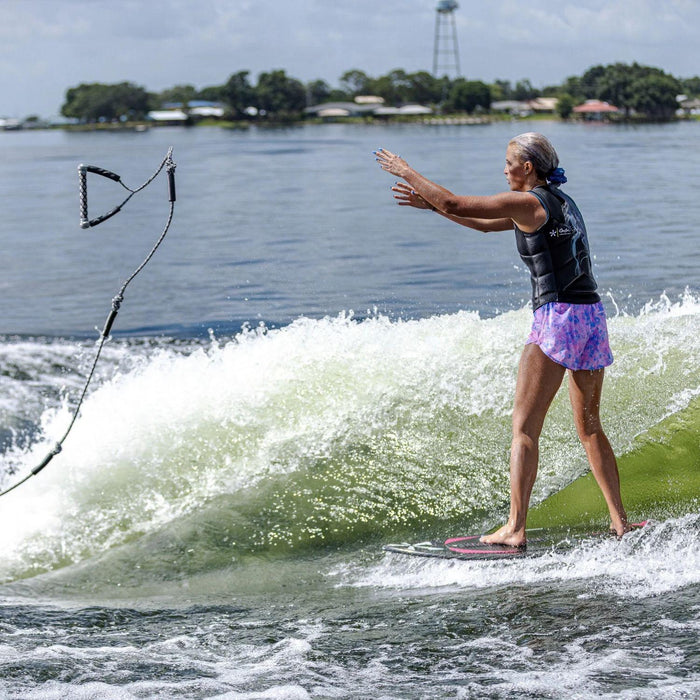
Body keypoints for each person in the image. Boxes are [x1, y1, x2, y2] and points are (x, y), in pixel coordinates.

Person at [374, 132, 628, 547]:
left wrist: (408, 172)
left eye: (508, 162)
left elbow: (457, 202)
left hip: (557, 317)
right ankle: (620, 522)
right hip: (591, 317)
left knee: (524, 427)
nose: (503, 169)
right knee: (589, 427)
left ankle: (515, 527)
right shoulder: (560, 202)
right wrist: (434, 208)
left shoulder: (527, 202)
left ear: (527, 167)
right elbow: (482, 223)